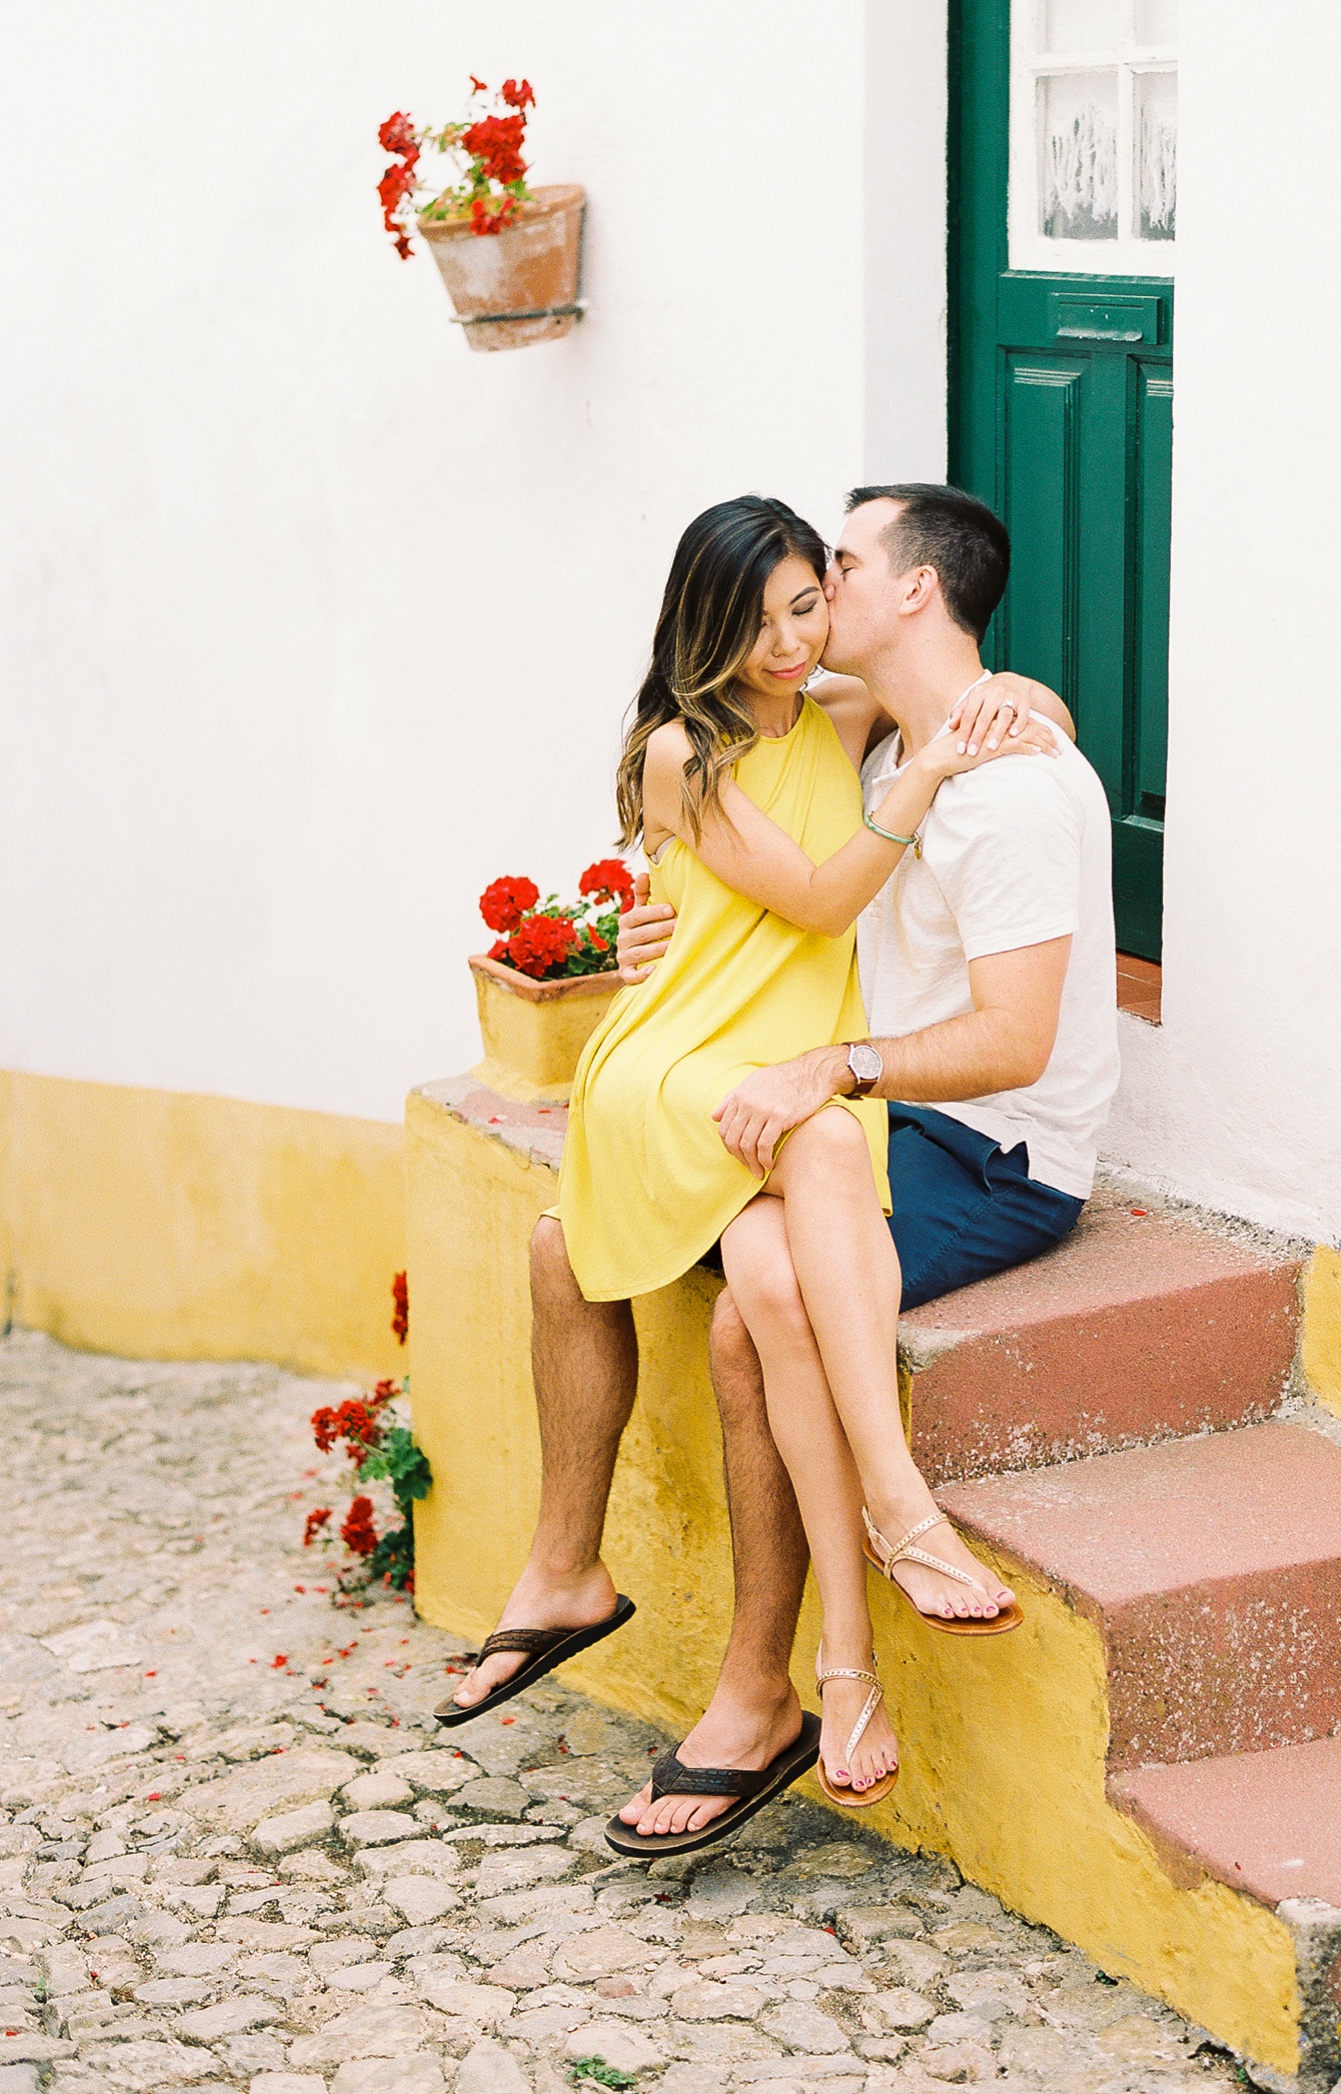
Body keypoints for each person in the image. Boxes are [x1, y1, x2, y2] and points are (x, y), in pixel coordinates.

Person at [440, 493, 1064, 1826]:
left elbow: (1001, 695)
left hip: (784, 1045)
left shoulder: (836, 715)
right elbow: (831, 897)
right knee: (824, 1140)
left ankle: (836, 1656)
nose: (789, 639)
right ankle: (897, 1513)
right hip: (676, 1059)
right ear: (705, 618)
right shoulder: (687, 750)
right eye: (764, 614)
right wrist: (932, 775)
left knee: (801, 1197)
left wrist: (1022, 719)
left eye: (806, 605)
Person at [605, 484, 1121, 1849]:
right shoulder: (873, 738)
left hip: (995, 1152)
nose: (814, 590)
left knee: (752, 1310)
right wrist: (646, 929)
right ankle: (857, 1608)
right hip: (881, 1124)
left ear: (911, 593)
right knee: (752, 1274)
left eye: (839, 564)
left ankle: (796, 1676)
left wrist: (835, 1068)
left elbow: (1014, 1041)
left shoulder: (1003, 787)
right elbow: (735, 830)